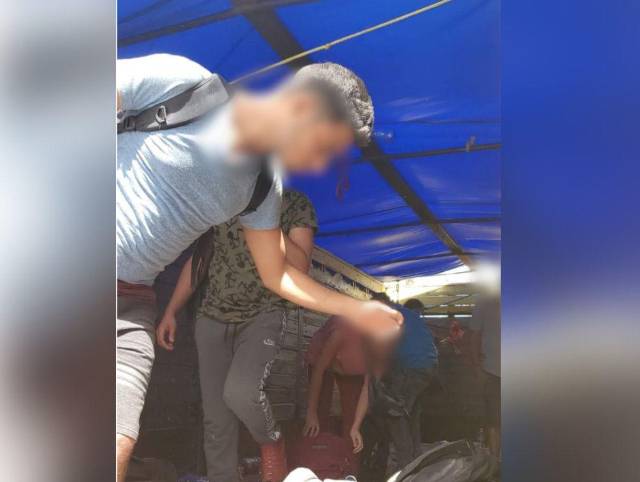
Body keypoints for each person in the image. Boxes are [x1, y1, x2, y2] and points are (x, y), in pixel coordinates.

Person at [116, 54, 403, 481]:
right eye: (325, 147)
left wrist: (356, 308)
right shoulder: (187, 87)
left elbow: (279, 274)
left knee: (117, 444)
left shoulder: (264, 188)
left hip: (130, 303)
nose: (320, 165)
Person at [157, 189, 316, 482]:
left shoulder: (295, 204)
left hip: (263, 315)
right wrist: (171, 310)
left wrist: (264, 220)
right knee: (216, 419)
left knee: (241, 392)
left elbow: (301, 264)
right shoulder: (224, 196)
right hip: (212, 318)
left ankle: (272, 441)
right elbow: (198, 261)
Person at [363, 296, 438, 475]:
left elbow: (381, 353)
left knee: (394, 412)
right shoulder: (407, 314)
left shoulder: (389, 315)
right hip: (428, 367)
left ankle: (406, 468)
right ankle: (416, 462)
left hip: (411, 368)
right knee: (411, 416)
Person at [303, 316, 369, 464]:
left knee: (352, 420)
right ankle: (315, 463)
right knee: (318, 416)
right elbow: (318, 371)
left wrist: (356, 426)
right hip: (322, 360)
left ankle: (349, 469)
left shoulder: (378, 352)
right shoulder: (341, 333)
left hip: (349, 367)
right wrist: (311, 413)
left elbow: (366, 389)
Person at [469, 291, 501, 458]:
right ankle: (495, 460)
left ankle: (496, 460)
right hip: (493, 371)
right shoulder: (484, 301)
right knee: (494, 419)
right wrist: (477, 366)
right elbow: (474, 336)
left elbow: (474, 336)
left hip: (494, 370)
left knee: (495, 420)